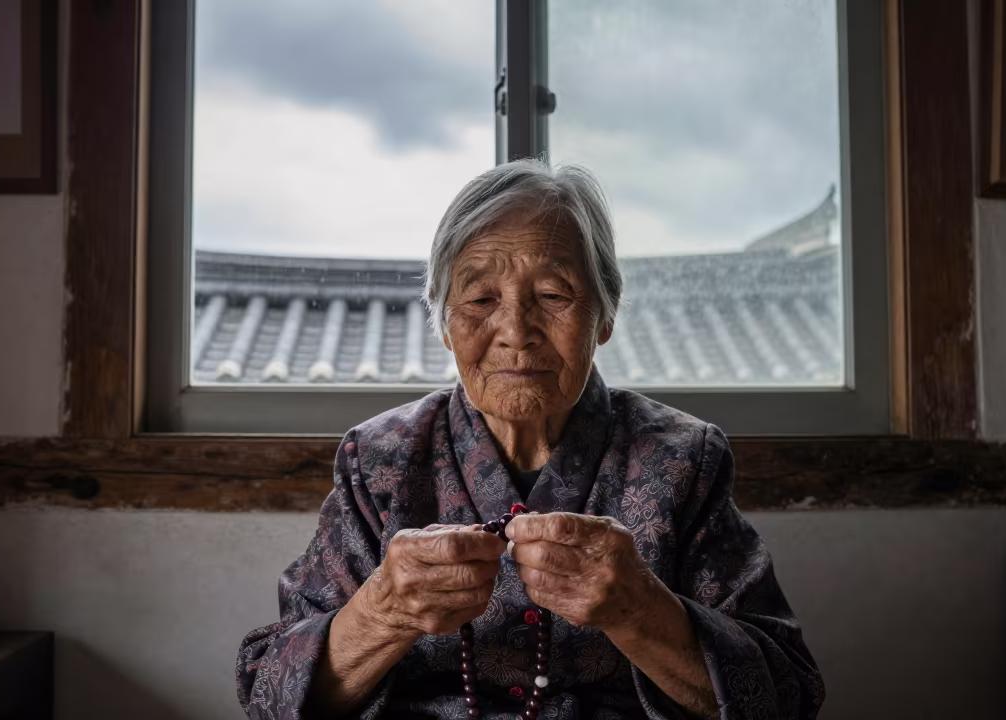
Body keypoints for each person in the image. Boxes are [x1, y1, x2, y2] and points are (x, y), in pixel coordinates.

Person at [236, 159, 824, 719]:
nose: (516, 332)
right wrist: (382, 611)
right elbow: (268, 695)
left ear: (605, 315)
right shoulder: (380, 461)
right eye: (480, 300)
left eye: (553, 295)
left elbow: (787, 697)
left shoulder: (680, 459)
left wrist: (643, 612)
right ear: (444, 323)